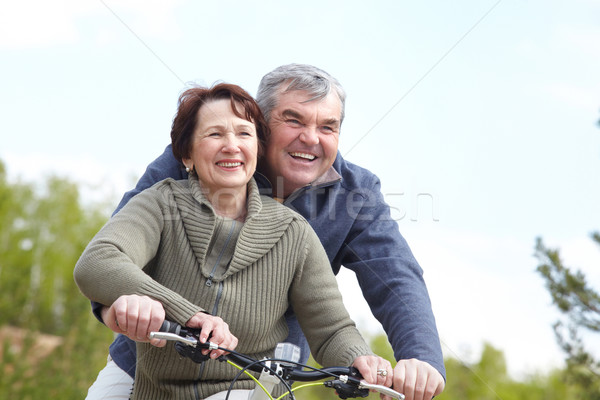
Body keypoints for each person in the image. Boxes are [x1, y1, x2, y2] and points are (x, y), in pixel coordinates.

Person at [88, 64, 446, 400]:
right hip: (150, 356)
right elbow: (113, 253)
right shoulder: (197, 157)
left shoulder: (351, 197)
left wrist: (420, 359)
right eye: (293, 120)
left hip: (252, 376)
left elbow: (395, 277)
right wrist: (114, 310)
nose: (311, 139)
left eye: (328, 127)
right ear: (261, 124)